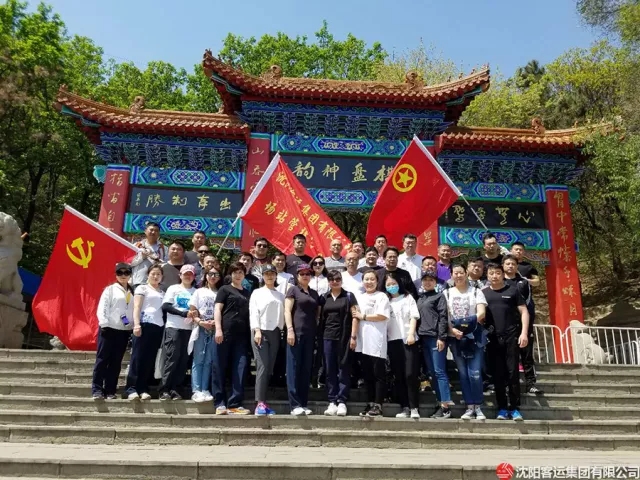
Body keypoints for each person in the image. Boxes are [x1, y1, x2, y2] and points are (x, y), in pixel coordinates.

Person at [483, 263, 529, 421]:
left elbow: (524, 312)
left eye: (497, 273)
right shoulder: (483, 293)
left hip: (511, 337)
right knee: (497, 374)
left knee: (512, 373)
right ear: (487, 276)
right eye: (491, 273)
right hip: (492, 339)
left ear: (502, 274)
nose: (494, 276)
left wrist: (524, 333)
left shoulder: (513, 290)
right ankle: (502, 408)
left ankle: (514, 408)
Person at [444, 264, 488, 420]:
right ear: (451, 275)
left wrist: (465, 323)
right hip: (456, 337)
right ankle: (470, 406)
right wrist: (452, 330)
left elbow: (481, 313)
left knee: (475, 373)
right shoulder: (446, 293)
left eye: (461, 272)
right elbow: (445, 316)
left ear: (466, 273)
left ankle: (478, 405)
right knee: (463, 373)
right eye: (455, 273)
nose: (458, 276)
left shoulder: (476, 291)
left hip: (474, 336)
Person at [212, 262, 252, 415]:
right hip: (224, 333)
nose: (238, 275)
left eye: (241, 272)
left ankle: (235, 403)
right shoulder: (224, 289)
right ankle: (219, 403)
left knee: (240, 368)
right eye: (235, 272)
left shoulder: (248, 293)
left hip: (242, 336)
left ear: (244, 274)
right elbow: (217, 309)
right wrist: (218, 329)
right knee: (219, 367)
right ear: (231, 274)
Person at [92, 263, 134, 400]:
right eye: (120, 273)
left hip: (124, 330)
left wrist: (131, 326)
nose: (123, 275)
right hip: (108, 328)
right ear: (116, 275)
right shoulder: (110, 290)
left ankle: (110, 390)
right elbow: (103, 307)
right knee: (102, 359)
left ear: (130, 275)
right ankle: (97, 389)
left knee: (116, 362)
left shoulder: (132, 291)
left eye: (126, 273)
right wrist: (104, 323)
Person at [285, 263, 322, 416]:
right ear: (297, 276)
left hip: (310, 334)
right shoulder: (293, 290)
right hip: (296, 333)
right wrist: (290, 330)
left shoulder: (314, 293)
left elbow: (317, 313)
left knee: (306, 369)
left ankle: (303, 403)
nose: (305, 276)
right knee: (293, 368)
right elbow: (287, 310)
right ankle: (294, 404)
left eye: (308, 274)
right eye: (302, 274)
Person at [321, 270, 359, 417]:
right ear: (328, 282)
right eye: (332, 279)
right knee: (330, 369)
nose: (335, 282)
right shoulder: (324, 297)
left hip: (344, 337)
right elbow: (320, 317)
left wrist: (353, 336)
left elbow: (355, 316)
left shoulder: (349, 296)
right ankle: (332, 400)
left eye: (337, 279)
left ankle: (342, 400)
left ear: (341, 280)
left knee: (343, 368)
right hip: (327, 337)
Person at [354, 269, 391, 417]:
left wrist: (363, 316)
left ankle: (378, 404)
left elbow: (382, 316)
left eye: (372, 279)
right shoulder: (359, 297)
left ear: (377, 281)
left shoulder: (381, 296)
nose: (369, 282)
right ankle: (370, 402)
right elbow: (354, 315)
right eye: (366, 279)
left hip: (376, 339)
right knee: (367, 373)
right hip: (362, 340)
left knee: (378, 373)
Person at [125, 264, 165, 401]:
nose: (155, 276)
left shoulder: (163, 292)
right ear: (148, 274)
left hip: (158, 326)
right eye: (153, 273)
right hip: (144, 324)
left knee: (149, 359)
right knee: (137, 357)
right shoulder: (142, 288)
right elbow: (137, 307)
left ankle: (143, 388)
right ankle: (131, 388)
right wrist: (136, 324)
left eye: (158, 274)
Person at [502, 255, 541, 394]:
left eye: (513, 264)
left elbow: (527, 304)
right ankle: (508, 384)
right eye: (508, 264)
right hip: (505, 324)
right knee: (507, 355)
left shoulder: (523, 282)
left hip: (522, 323)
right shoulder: (498, 282)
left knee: (527, 353)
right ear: (503, 265)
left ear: (517, 266)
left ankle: (531, 383)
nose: (510, 266)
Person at [249, 264, 285, 416]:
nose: (269, 276)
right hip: (261, 332)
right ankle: (259, 403)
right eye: (267, 273)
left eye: (272, 273)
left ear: (276, 275)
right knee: (262, 366)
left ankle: (264, 402)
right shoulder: (257, 293)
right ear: (262, 276)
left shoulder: (280, 295)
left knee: (269, 368)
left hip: (275, 332)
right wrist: (257, 330)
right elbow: (253, 312)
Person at [385, 272, 421, 419]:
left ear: (399, 284)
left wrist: (411, 333)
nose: (391, 286)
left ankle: (414, 407)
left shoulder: (408, 298)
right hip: (392, 341)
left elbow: (414, 316)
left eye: (393, 283)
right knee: (398, 375)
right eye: (388, 284)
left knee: (410, 374)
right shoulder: (385, 300)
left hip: (408, 340)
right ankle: (405, 406)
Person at [417, 271, 452, 418]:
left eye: (430, 280)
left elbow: (443, 317)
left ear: (435, 282)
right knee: (432, 372)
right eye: (425, 280)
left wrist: (441, 337)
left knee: (439, 371)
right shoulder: (420, 297)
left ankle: (446, 406)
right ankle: (439, 401)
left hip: (435, 337)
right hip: (423, 337)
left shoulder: (439, 296)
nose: (427, 282)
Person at [159, 265, 196, 400]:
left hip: (189, 329)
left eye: (190, 274)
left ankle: (176, 389)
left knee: (183, 360)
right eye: (185, 274)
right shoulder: (173, 288)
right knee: (172, 357)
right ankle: (164, 388)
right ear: (180, 275)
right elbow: (166, 306)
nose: (187, 276)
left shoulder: (196, 291)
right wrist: (183, 313)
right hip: (173, 327)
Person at [188, 266, 222, 403]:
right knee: (198, 359)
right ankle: (196, 390)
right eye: (210, 274)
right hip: (200, 328)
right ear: (205, 276)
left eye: (216, 274)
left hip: (214, 329)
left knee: (209, 360)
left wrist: (216, 322)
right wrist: (201, 322)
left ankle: (204, 388)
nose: (213, 277)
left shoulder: (220, 292)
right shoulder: (198, 291)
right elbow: (192, 311)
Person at [130, 223, 166, 288]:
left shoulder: (163, 248)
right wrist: (142, 257)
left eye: (156, 231)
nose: (153, 232)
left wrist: (157, 261)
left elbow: (165, 265)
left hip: (154, 283)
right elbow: (130, 263)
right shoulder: (136, 245)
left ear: (159, 233)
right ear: (145, 231)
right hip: (137, 281)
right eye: (151, 230)